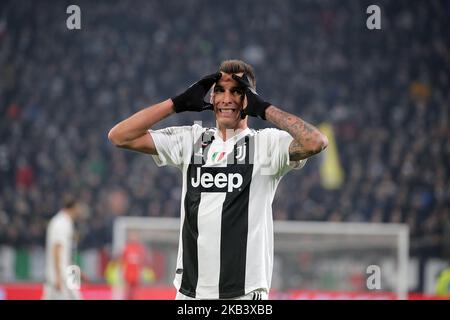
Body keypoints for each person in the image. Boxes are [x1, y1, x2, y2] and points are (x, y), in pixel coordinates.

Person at [108, 59, 328, 300]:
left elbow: (315, 141)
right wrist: (176, 103)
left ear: (249, 98)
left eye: (237, 91)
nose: (227, 99)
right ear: (211, 97)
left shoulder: (266, 144)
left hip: (244, 295)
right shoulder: (192, 140)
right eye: (220, 90)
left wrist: (264, 108)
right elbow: (120, 136)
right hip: (191, 294)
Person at [42, 195, 86, 300]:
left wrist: (78, 271)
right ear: (74, 207)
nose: (80, 210)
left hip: (69, 273)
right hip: (61, 276)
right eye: (79, 207)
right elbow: (57, 249)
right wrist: (57, 277)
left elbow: (67, 254)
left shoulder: (67, 222)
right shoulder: (60, 223)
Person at [121, 230, 147, 300]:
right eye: (132, 236)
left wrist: (141, 273)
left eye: (135, 236)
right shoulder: (127, 248)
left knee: (135, 293)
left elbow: (142, 263)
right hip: (128, 274)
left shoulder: (140, 249)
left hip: (136, 274)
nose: (134, 238)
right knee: (127, 292)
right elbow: (122, 261)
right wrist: (122, 272)